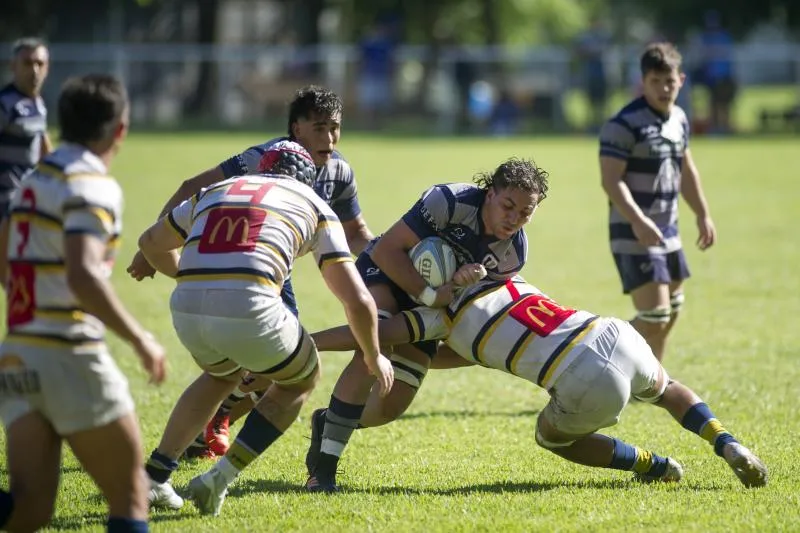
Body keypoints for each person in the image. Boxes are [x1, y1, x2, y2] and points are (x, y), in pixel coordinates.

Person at [312, 273, 768, 489]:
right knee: (666, 389)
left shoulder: (437, 315)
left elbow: (369, 331)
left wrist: (307, 342)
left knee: (552, 440)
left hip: (583, 377)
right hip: (610, 332)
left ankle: (652, 465)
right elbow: (485, 348)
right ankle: (724, 439)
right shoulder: (510, 278)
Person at [138, 141, 393, 515]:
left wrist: (194, 277)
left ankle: (155, 478)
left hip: (186, 307)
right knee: (300, 379)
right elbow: (357, 301)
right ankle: (217, 480)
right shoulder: (315, 204)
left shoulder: (215, 190)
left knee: (219, 376)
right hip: (249, 304)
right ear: (308, 181)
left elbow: (148, 242)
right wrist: (373, 357)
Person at [127, 85, 375, 459]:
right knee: (280, 361)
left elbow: (355, 233)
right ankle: (215, 420)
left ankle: (213, 421)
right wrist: (154, 247)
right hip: (249, 258)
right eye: (319, 127)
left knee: (266, 363)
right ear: (296, 127)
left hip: (275, 261)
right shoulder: (263, 158)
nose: (330, 137)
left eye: (335, 127)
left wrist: (384, 255)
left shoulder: (339, 171)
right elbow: (193, 187)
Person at [303, 158, 550, 492]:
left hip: (433, 302)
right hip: (387, 272)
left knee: (390, 405)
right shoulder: (449, 201)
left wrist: (457, 289)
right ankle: (324, 470)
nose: (514, 218)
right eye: (508, 205)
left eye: (525, 213)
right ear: (490, 194)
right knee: (372, 350)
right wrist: (428, 294)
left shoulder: (511, 256)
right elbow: (388, 248)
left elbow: (462, 313)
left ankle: (328, 421)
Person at [0, 74, 166, 532]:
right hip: (68, 354)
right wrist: (140, 338)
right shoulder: (93, 184)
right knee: (132, 495)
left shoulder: (33, 181)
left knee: (29, 510)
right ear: (120, 130)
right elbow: (83, 273)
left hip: (18, 354)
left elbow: (6, 253)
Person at [599, 42, 716, 363]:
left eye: (670, 81)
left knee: (672, 312)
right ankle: (592, 349)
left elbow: (686, 169)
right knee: (655, 316)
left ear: (682, 80)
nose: (664, 88)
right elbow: (611, 181)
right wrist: (638, 220)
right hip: (633, 231)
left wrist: (702, 214)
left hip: (668, 228)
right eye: (655, 81)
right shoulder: (623, 125)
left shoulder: (679, 118)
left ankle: (653, 385)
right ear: (643, 81)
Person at [0, 38, 52, 219]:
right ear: (13, 66)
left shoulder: (38, 104)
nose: (34, 70)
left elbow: (44, 149)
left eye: (40, 63)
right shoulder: (5, 104)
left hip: (26, 200)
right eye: (28, 63)